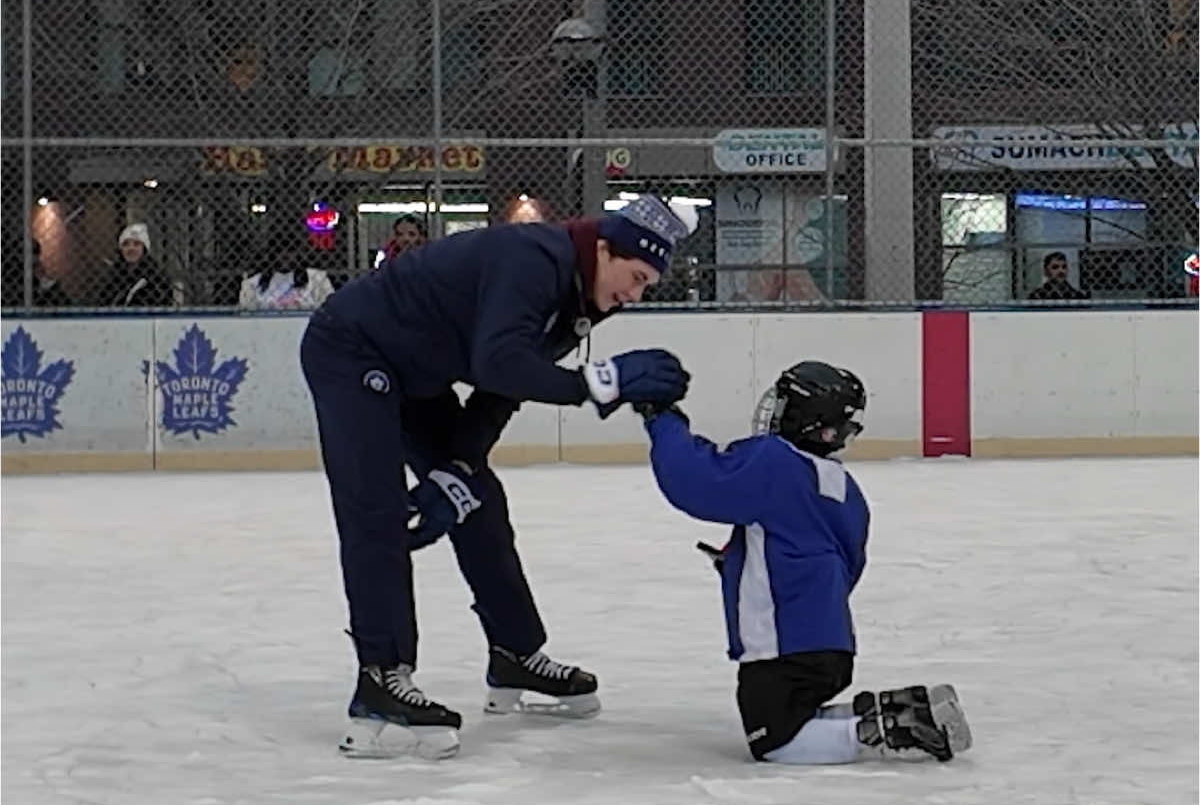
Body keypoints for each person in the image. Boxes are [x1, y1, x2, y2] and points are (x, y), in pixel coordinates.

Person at [300, 193, 696, 760]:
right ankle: (380, 680)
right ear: (604, 249)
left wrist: (458, 470)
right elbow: (499, 360)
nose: (634, 295)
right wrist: (598, 382)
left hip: (416, 374)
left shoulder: (583, 297)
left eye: (646, 286)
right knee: (376, 508)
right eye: (634, 277)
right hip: (351, 348)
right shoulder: (534, 259)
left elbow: (500, 391)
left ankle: (514, 653)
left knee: (478, 499)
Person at [637, 360, 973, 766]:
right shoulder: (843, 489)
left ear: (805, 417)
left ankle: (896, 729)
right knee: (797, 716)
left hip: (783, 649)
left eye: (782, 403)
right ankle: (899, 708)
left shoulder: (775, 461)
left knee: (775, 740)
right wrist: (745, 568)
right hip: (829, 645)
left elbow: (695, 481)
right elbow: (840, 563)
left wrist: (663, 418)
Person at [95, 223, 174, 309]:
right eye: (125, 244)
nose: (131, 248)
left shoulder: (156, 275)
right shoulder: (112, 274)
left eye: (136, 244)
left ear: (144, 248)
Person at [239, 241, 334, 312]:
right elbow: (245, 312)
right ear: (273, 254)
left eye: (290, 251)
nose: (285, 255)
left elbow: (330, 307)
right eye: (280, 251)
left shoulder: (316, 278)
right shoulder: (253, 284)